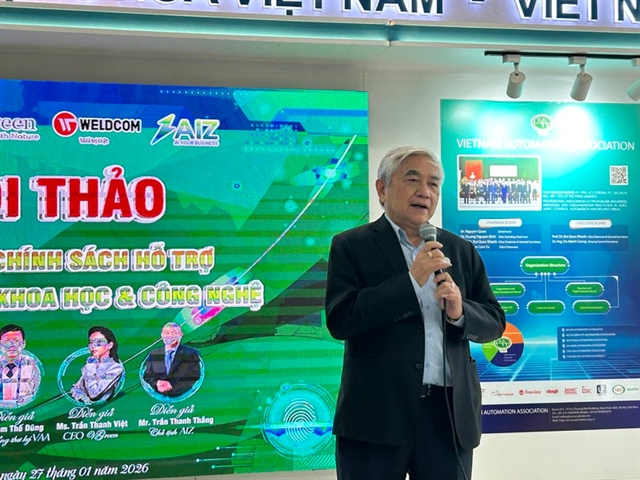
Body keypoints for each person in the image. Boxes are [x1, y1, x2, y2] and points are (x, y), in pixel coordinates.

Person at [325, 146, 506, 480]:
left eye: (434, 183)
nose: (425, 191)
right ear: (382, 188)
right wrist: (410, 282)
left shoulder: (459, 250)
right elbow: (341, 319)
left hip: (447, 415)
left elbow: (494, 321)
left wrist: (460, 312)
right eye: (413, 180)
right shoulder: (351, 245)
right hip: (376, 416)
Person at [143, 322, 201, 398]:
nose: (171, 336)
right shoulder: (154, 354)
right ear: (162, 335)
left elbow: (194, 376)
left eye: (175, 333)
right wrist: (157, 383)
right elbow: (147, 376)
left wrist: (172, 387)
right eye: (167, 333)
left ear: (181, 335)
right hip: (158, 398)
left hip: (182, 397)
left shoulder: (191, 353)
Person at [70, 326, 124, 404]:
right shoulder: (92, 364)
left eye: (98, 342)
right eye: (91, 342)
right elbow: (76, 388)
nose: (93, 346)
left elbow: (93, 394)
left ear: (109, 345)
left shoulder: (115, 368)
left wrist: (90, 367)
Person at [0, 324, 41, 408]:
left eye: (16, 341)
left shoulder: (32, 365)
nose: (11, 345)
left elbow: (36, 393)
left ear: (24, 343)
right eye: (7, 341)